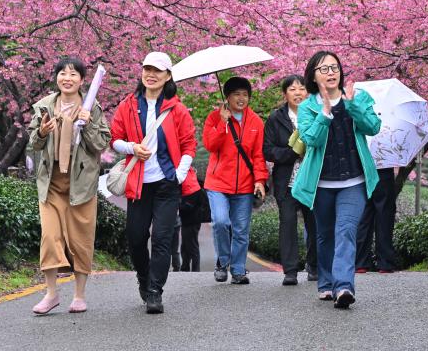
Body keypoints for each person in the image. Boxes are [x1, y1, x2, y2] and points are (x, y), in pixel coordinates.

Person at [110, 51, 200, 314]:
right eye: (147, 69)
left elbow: (189, 145)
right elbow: (114, 138)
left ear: (168, 76)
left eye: (157, 70)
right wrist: (132, 147)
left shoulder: (176, 108)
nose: (151, 74)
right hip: (138, 183)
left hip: (166, 184)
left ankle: (155, 291)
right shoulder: (128, 105)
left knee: (162, 238)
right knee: (136, 237)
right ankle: (143, 277)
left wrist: (178, 175)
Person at [292, 51, 381, 309]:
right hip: (321, 184)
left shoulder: (358, 97)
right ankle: (326, 282)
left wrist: (352, 106)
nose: (331, 73)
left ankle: (343, 286)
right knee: (325, 235)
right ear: (313, 75)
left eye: (334, 67)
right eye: (324, 69)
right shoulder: (308, 106)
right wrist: (325, 114)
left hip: (353, 181)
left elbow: (373, 127)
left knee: (346, 231)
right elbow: (310, 140)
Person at [28, 57, 111, 315]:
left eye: (73, 74)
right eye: (62, 73)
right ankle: (51, 294)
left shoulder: (91, 107)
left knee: (80, 239)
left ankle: (79, 295)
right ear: (56, 78)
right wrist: (42, 132)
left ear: (82, 80)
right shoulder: (44, 106)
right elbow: (34, 142)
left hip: (81, 183)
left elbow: (101, 144)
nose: (67, 78)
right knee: (50, 237)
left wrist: (87, 125)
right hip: (51, 182)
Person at [203, 77, 269, 285]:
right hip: (218, 183)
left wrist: (259, 180)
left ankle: (238, 269)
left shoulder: (256, 122)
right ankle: (223, 262)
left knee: (241, 229)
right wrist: (222, 122)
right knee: (221, 222)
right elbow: (210, 145)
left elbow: (258, 155)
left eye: (245, 94)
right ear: (228, 97)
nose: (241, 99)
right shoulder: (214, 118)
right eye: (236, 94)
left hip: (245, 185)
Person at [263, 74, 318, 285]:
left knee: (314, 224)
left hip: (312, 179)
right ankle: (291, 270)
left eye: (302, 89)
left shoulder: (316, 114)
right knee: (287, 224)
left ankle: (314, 266)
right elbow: (267, 150)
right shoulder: (276, 118)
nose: (298, 93)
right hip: (287, 182)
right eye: (293, 89)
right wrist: (292, 152)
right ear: (285, 94)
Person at [356, 167, 398, 273]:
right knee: (385, 215)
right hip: (383, 166)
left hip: (363, 168)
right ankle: (385, 263)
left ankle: (360, 262)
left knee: (364, 215)